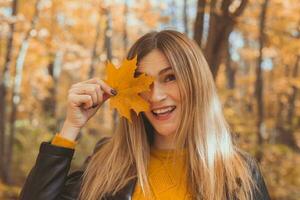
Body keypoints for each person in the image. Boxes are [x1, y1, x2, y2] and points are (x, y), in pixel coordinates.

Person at [19, 30, 270, 200]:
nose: (155, 96)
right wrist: (70, 129)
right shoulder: (107, 164)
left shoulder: (239, 172)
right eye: (144, 83)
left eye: (170, 78)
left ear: (197, 84)